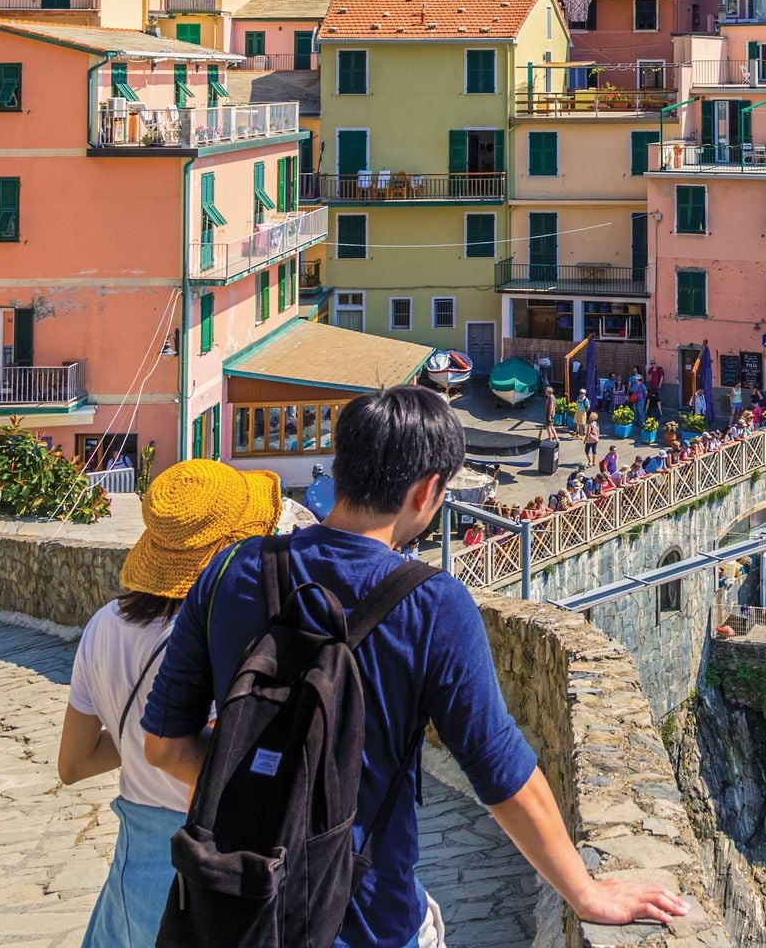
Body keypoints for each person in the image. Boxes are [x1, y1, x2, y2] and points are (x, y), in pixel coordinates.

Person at [141, 387, 686, 945]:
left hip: (236, 907)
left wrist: (273, 783)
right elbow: (499, 770)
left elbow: (164, 745)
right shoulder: (432, 605)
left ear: (340, 465)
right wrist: (585, 892)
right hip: (370, 920)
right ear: (427, 491)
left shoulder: (228, 570)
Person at [60, 460, 283, 945]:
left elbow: (73, 763)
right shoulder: (227, 635)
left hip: (132, 874)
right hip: (208, 869)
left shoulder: (104, 625)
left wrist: (144, 733)